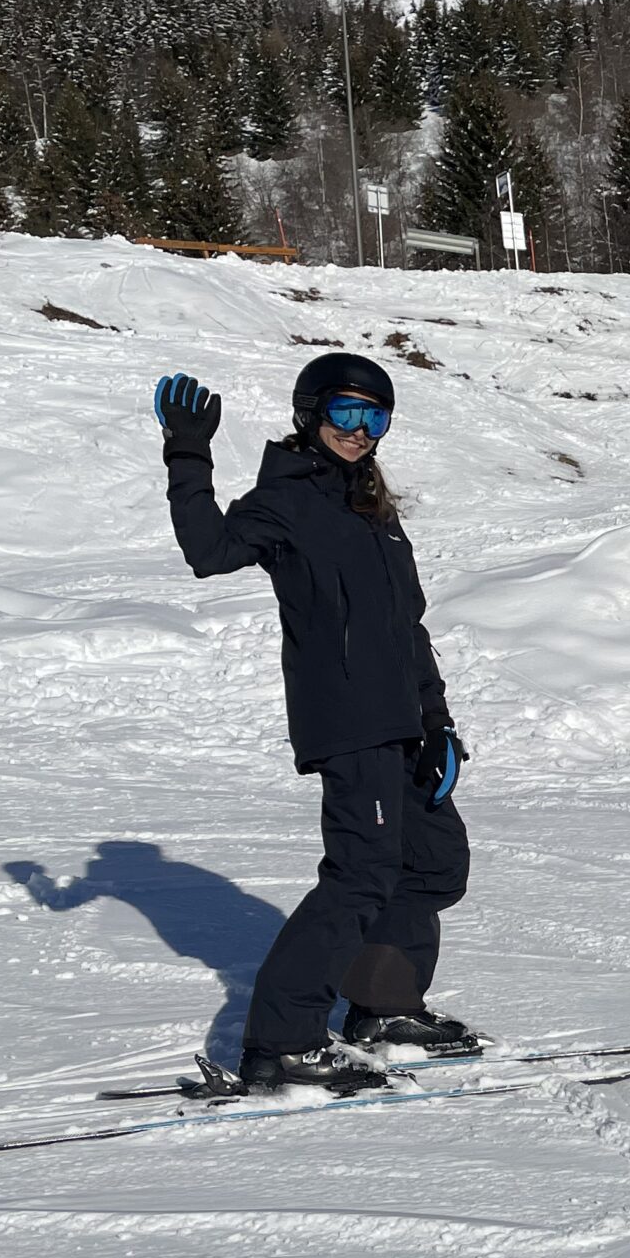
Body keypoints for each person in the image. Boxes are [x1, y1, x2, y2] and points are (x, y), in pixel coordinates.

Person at [155, 352, 475, 1090]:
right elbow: (209, 551)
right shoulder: (286, 501)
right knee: (361, 876)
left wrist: (438, 722)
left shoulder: (376, 516)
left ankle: (385, 1009)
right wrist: (187, 452)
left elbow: (408, 629)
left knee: (432, 865)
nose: (361, 430)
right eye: (347, 412)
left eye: (377, 416)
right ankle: (283, 1041)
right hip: (348, 719)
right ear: (312, 412)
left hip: (404, 723)